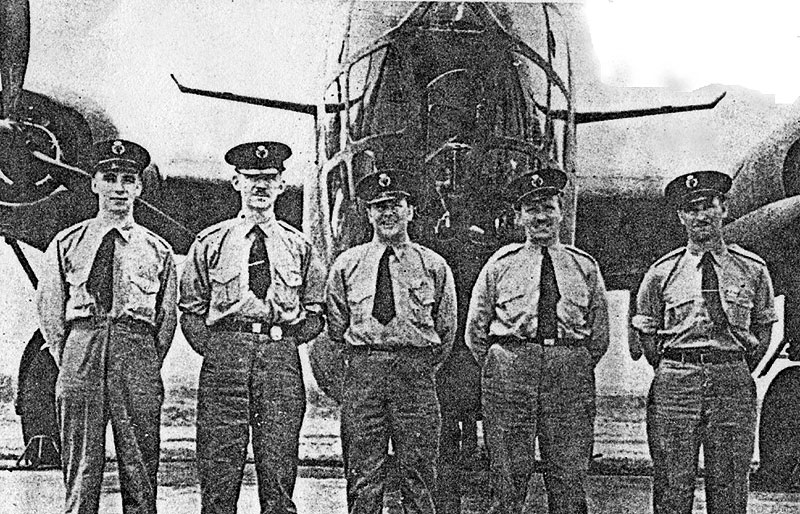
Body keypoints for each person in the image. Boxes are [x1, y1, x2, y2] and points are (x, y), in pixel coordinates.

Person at [179, 141, 326, 514]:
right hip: (225, 359)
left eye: (270, 178)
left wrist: (284, 339)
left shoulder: (299, 246)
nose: (261, 186)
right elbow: (191, 311)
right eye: (252, 178)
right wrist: (218, 349)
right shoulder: (210, 242)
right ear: (236, 182)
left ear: (281, 184)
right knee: (219, 473)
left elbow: (316, 311)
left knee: (278, 470)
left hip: (279, 360)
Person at [36, 139, 177, 514]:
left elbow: (165, 320)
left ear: (139, 188)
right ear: (94, 183)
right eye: (110, 177)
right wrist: (71, 355)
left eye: (128, 180)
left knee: (140, 464)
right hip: (83, 347)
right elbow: (50, 309)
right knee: (81, 464)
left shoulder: (157, 249)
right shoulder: (68, 242)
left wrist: (143, 357)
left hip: (136, 351)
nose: (119, 188)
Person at [465, 164, 609, 514]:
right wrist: (509, 360)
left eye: (548, 207)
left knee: (569, 476)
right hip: (511, 371)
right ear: (518, 217)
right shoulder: (499, 265)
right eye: (531, 209)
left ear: (561, 212)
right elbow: (476, 331)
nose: (541, 217)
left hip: (568, 371)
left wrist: (567, 361)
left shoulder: (584, 266)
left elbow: (599, 334)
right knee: (508, 477)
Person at [632, 170, 778, 514]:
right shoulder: (662, 272)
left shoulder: (752, 270)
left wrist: (733, 365)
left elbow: (763, 328)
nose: (701, 215)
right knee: (671, 482)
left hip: (731, 381)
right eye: (692, 208)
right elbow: (648, 333)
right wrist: (675, 367)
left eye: (708, 206)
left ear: (723, 208)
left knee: (729, 482)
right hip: (675, 383)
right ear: (681, 216)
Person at [325, 168, 457, 514]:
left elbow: (446, 330)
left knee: (419, 475)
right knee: (363, 475)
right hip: (364, 376)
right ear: (368, 213)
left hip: (414, 377)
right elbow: (337, 329)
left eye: (395, 204)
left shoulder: (433, 266)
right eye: (379, 206)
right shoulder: (347, 265)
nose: (387, 213)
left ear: (410, 210)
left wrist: (414, 362)